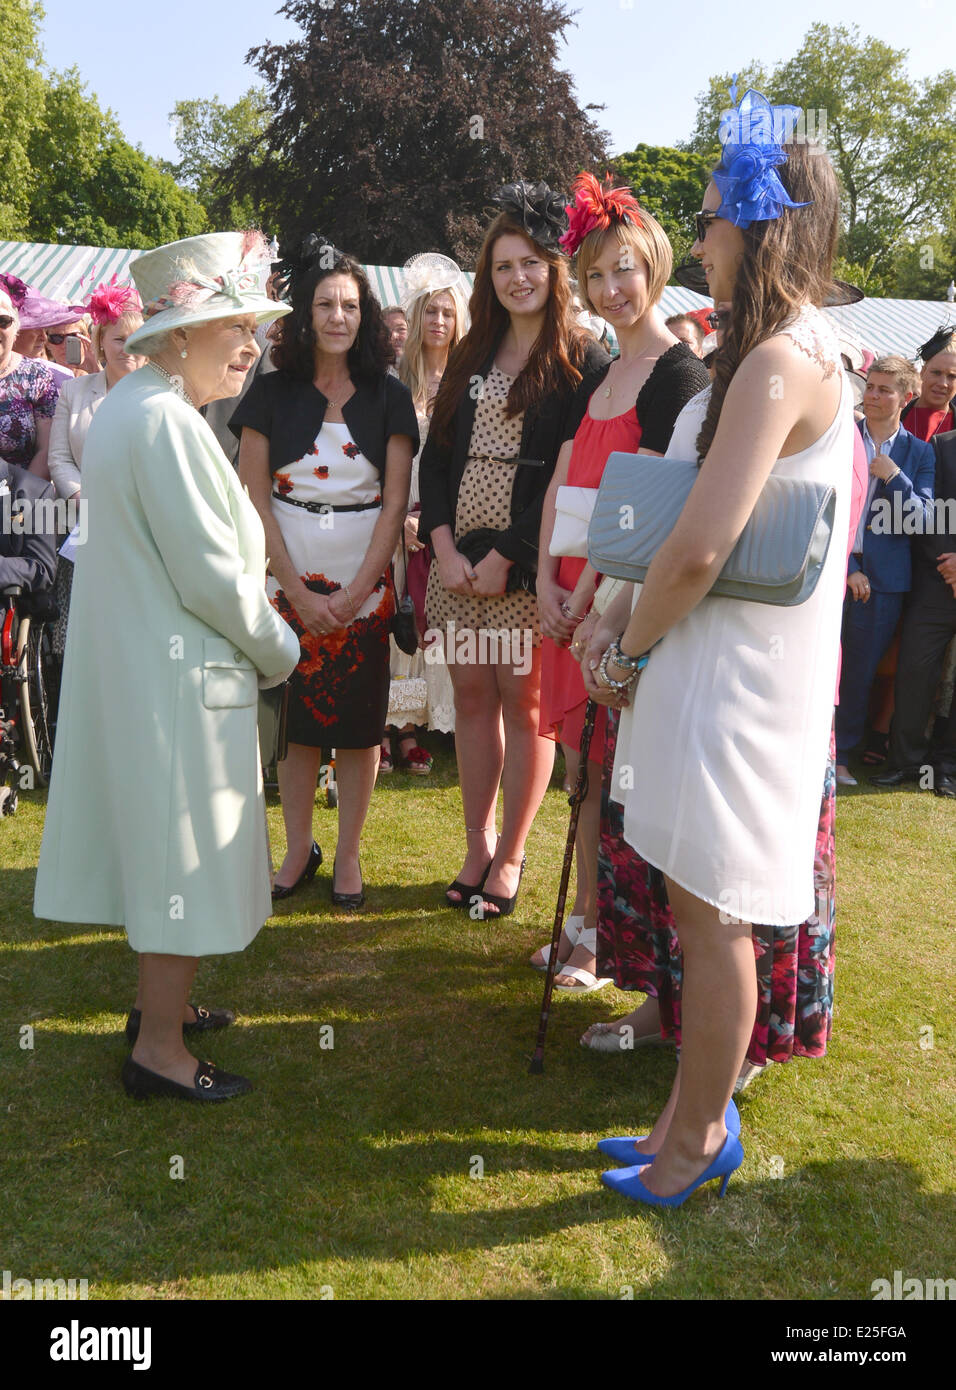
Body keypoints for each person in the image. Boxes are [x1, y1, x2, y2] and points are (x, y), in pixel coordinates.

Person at [581, 87, 853, 1206]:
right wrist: (619, 631)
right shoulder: (771, 352)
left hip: (732, 680)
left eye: (707, 217)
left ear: (758, 221)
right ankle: (682, 1121)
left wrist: (624, 656)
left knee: (714, 911)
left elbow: (694, 550)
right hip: (709, 667)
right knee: (702, 905)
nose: (696, 239)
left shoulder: (781, 362)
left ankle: (699, 1134)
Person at [34, 231, 301, 1102]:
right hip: (179, 681)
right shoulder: (162, 421)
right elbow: (213, 579)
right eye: (239, 325)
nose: (253, 345)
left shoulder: (138, 407)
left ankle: (166, 1013)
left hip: (158, 672)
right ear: (181, 333)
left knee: (165, 852)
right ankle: (159, 1050)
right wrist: (280, 648)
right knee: (180, 861)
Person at [532, 174, 708, 989]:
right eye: (596, 275)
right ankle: (582, 924)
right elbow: (566, 479)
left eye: (625, 270)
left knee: (616, 770)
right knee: (580, 767)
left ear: (655, 266)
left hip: (620, 599)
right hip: (567, 593)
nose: (612, 289)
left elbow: (657, 500)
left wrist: (591, 591)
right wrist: (542, 578)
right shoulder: (595, 372)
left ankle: (613, 938)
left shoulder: (680, 376)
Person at [418, 180, 608, 918]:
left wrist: (508, 557)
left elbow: (572, 472)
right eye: (502, 266)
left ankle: (513, 855)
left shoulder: (580, 359)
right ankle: (476, 843)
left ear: (554, 269)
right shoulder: (470, 351)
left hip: (526, 566)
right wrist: (441, 544)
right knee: (470, 697)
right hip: (455, 558)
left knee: (523, 706)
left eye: (530, 262)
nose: (517, 277)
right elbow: (436, 459)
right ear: (486, 278)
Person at [234, 235, 417, 908]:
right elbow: (253, 494)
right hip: (287, 582)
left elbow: (395, 501)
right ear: (302, 315)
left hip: (364, 587)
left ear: (364, 314)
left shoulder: (390, 396)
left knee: (359, 726)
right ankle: (296, 850)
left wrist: (362, 588)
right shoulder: (271, 391)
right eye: (324, 304)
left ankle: (347, 858)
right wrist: (289, 585)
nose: (338, 316)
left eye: (349, 305)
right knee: (297, 725)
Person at [381, 254, 469, 772]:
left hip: (448, 523)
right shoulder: (393, 382)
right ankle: (396, 726)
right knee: (403, 625)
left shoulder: (468, 381)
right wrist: (399, 521)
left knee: (439, 625)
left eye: (446, 312)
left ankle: (429, 726)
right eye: (429, 312)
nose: (438, 322)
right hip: (399, 517)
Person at [834, 357, 935, 786]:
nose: (872, 396)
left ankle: (840, 756)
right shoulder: (840, 438)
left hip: (883, 584)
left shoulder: (920, 453)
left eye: (884, 390)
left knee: (858, 672)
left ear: (905, 397)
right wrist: (848, 566)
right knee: (815, 663)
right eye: (869, 387)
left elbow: (925, 520)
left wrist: (895, 477)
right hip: (832, 568)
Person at [47, 278, 146, 656]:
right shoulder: (73, 392)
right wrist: (82, 499)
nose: (128, 349)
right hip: (82, 525)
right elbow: (59, 458)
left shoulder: (164, 396)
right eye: (119, 339)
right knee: (79, 638)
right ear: (100, 340)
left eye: (137, 340)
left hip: (140, 528)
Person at [872, 427, 956, 798]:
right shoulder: (942, 445)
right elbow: (929, 512)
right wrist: (949, 564)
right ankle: (905, 762)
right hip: (936, 579)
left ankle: (947, 768)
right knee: (914, 673)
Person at [0, 276, 59, 477]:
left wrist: (22, 497)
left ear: (15, 328)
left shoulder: (37, 377)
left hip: (18, 498)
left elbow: (47, 449)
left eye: (2, 321)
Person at [901, 325, 956, 441]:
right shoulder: (893, 414)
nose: (943, 383)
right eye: (936, 372)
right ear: (923, 371)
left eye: (952, 376)